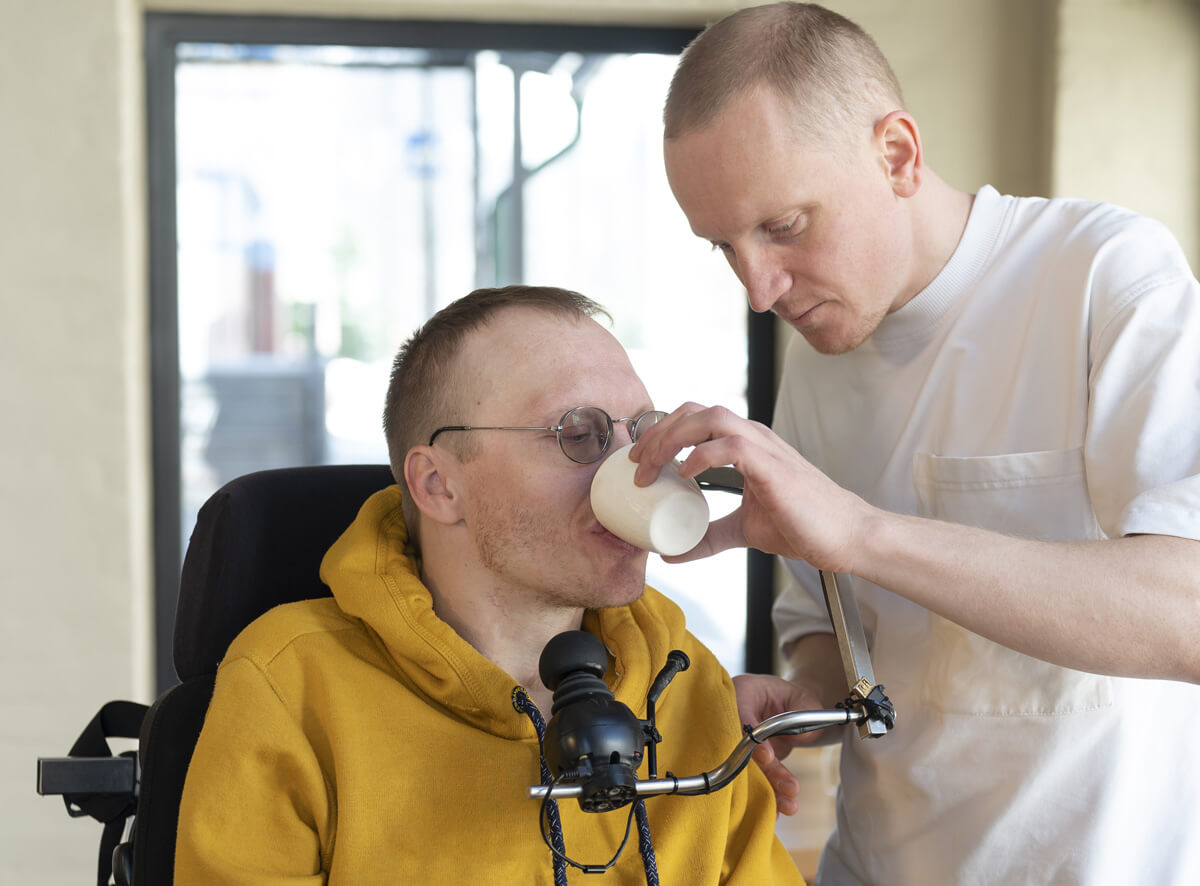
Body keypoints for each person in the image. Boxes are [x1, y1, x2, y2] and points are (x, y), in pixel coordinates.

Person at [628, 3, 1200, 884]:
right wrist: (803, 707)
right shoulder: (821, 357)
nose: (759, 290)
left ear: (896, 153)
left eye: (782, 226)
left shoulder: (1103, 277)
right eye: (724, 247)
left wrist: (862, 532)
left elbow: (1188, 614)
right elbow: (832, 636)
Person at [173, 286, 804, 884]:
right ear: (438, 485)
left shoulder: (684, 678)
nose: (637, 474)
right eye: (578, 435)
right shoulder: (290, 686)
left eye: (640, 433)